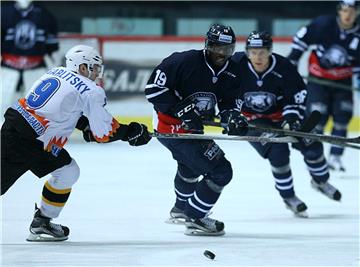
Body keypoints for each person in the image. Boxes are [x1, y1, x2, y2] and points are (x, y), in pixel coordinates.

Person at [1, 45, 152, 242]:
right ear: (81, 67)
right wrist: (132, 131)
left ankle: (42, 222)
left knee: (68, 171)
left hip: (27, 135)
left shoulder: (55, 72)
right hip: (26, 142)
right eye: (94, 67)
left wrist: (85, 126)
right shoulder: (91, 90)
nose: (97, 72)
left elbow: (61, 110)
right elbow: (105, 132)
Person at [145, 24, 247, 236]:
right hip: (171, 128)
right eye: (217, 48)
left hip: (193, 129)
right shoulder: (183, 61)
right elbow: (153, 89)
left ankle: (181, 210)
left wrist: (232, 116)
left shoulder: (233, 71)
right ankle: (196, 217)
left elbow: (230, 100)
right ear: (207, 45)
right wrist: (183, 110)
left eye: (226, 50)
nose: (221, 54)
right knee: (221, 171)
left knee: (190, 167)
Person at [230, 31, 342, 217]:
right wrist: (230, 115)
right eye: (253, 52)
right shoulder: (235, 65)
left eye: (262, 52)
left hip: (283, 116)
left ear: (270, 52)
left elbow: (297, 96)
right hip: (252, 120)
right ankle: (289, 197)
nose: (258, 57)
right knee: (278, 152)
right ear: (247, 52)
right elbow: (220, 90)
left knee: (312, 146)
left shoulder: (283, 67)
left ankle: (321, 182)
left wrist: (291, 118)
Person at [288, 0, 360, 172]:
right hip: (318, 80)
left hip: (343, 83)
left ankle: (335, 156)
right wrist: (292, 62)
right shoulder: (324, 24)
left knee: (342, 119)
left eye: (351, 10)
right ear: (339, 11)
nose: (347, 14)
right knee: (316, 118)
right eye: (344, 10)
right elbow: (300, 40)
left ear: (357, 12)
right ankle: (314, 155)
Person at [1, 0, 60, 122]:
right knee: (3, 104)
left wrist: (56, 69)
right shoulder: (3, 13)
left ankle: (33, 137)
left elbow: (52, 48)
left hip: (35, 69)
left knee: (37, 108)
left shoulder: (45, 15)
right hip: (7, 69)